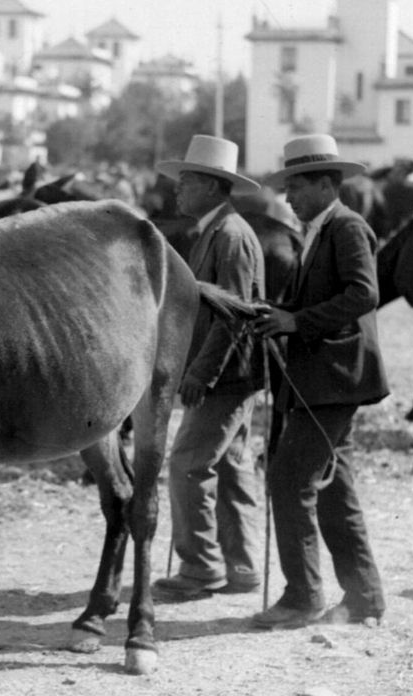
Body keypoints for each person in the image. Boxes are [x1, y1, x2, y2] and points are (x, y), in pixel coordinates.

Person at [250, 135, 389, 629]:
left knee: (288, 480)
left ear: (328, 184)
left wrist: (296, 322)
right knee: (335, 490)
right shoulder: (319, 229)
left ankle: (303, 597)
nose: (288, 197)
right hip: (325, 378)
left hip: (335, 376)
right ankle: (365, 598)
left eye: (297, 187)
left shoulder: (348, 228)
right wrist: (280, 314)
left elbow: (363, 295)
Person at [148, 136, 267, 602]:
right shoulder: (217, 232)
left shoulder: (232, 237)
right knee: (233, 468)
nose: (178, 191)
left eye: (188, 181)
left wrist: (201, 373)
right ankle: (240, 566)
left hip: (228, 375)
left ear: (215, 187)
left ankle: (200, 568)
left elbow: (234, 315)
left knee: (187, 465)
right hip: (234, 373)